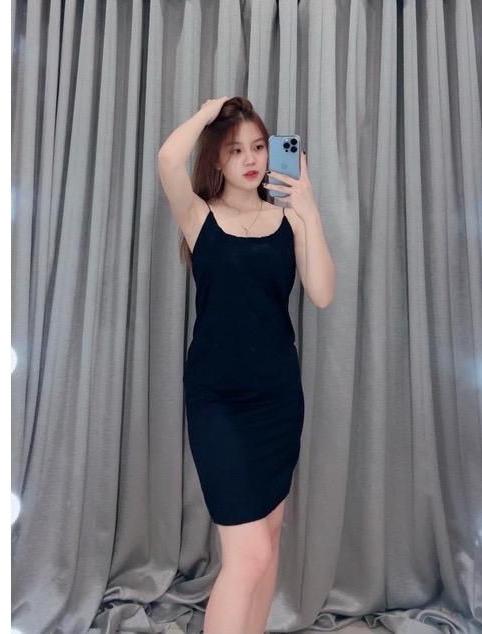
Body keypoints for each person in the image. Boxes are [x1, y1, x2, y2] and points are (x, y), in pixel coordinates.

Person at [157, 96, 334, 634]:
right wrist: (209, 112)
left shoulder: (288, 219)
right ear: (216, 157)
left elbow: (322, 293)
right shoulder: (199, 217)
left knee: (270, 541)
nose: (251, 158)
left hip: (278, 399)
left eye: (258, 147)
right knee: (249, 555)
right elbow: (168, 159)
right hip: (217, 402)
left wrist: (308, 209)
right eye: (235, 150)